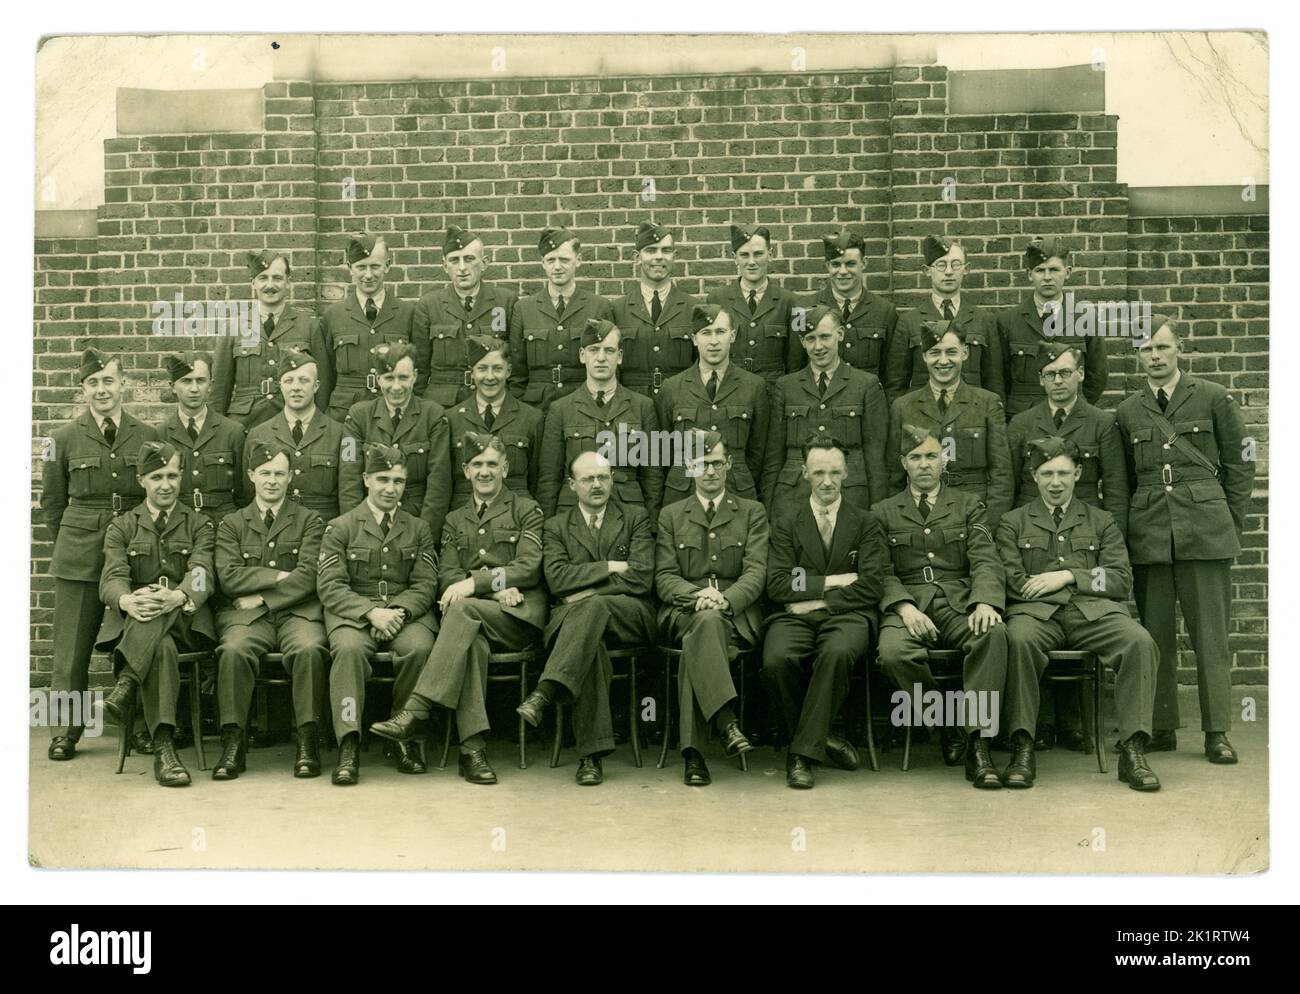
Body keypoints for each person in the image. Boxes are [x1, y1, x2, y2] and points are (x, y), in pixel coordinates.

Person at [370, 432, 547, 785]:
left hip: (517, 617)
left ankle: (416, 708)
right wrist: (492, 590)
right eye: (477, 465)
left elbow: (528, 567)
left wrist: (475, 585)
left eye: (492, 464)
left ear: (505, 468)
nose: (485, 472)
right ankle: (472, 751)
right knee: (470, 644)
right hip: (482, 615)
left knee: (461, 611)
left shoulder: (527, 509)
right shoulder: (454, 519)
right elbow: (447, 574)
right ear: (465, 471)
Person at [1117, 318, 1255, 764]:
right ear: (1137, 357)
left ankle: (1217, 731)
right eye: (1145, 349)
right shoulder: (1127, 411)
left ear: (1179, 349)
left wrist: (1229, 521)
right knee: (1154, 636)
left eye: (1161, 347)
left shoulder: (1212, 397)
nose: (1154, 356)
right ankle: (1161, 727)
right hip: (1150, 534)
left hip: (1206, 532)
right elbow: (1122, 482)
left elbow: (1239, 463)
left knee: (1210, 636)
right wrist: (1124, 537)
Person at [996, 436, 1160, 791]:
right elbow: (1012, 581)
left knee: (1139, 641)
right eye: (1047, 473)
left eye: (1064, 473)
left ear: (1078, 474)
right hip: (1036, 615)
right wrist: (1078, 582)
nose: (1056, 482)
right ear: (1033, 476)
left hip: (1093, 613)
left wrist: (1068, 576)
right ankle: (1022, 745)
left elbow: (1119, 578)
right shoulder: (1013, 522)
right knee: (1017, 640)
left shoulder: (1101, 521)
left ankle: (1133, 749)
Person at [1008, 344, 1128, 750]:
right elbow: (1010, 487)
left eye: (1065, 373)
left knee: (1083, 615)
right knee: (1033, 625)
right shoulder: (1022, 423)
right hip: (1036, 535)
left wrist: (1111, 540)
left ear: (1080, 375)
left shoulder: (1100, 423)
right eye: (1049, 374)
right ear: (1040, 379)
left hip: (1084, 536)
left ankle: (1074, 722)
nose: (1057, 381)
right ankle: (1038, 724)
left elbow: (1114, 486)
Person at [873, 426, 1008, 788]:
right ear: (904, 464)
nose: (924, 465)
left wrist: (984, 601)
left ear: (944, 458)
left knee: (992, 634)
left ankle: (979, 744)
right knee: (893, 654)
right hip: (909, 603)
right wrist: (903, 608)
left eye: (931, 456)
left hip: (959, 600)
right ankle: (947, 724)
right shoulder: (883, 511)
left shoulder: (968, 504)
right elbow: (880, 570)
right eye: (915, 458)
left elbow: (985, 558)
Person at [518, 451, 656, 785]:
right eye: (587, 479)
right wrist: (609, 567)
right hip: (576, 625)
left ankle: (546, 691)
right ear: (571, 485)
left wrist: (587, 590)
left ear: (611, 480)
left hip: (629, 617)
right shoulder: (555, 526)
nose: (596, 485)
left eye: (603, 478)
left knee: (591, 608)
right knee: (590, 645)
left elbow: (641, 578)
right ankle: (590, 758)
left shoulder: (635, 517)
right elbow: (557, 580)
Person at [41, 348, 150, 761]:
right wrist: (74, 540)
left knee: (134, 641)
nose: (102, 389)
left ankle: (138, 727)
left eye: (109, 380)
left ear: (124, 384)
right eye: (93, 382)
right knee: (71, 649)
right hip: (80, 552)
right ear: (82, 389)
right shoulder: (61, 440)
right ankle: (65, 731)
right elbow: (52, 504)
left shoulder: (147, 436)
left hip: (132, 548)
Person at [762, 436, 886, 788]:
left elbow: (872, 584)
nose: (828, 481)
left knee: (837, 652)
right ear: (804, 474)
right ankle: (824, 739)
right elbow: (779, 584)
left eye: (834, 472)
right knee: (776, 659)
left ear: (847, 472)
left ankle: (800, 755)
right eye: (819, 473)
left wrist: (819, 597)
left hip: (848, 615)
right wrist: (839, 579)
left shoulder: (865, 522)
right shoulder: (787, 522)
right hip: (793, 616)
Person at [316, 444, 439, 785]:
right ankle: (349, 741)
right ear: (366, 479)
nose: (390, 488)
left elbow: (426, 583)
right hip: (354, 613)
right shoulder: (340, 527)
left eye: (398, 481)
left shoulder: (418, 528)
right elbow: (330, 586)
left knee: (420, 649)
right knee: (349, 651)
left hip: (404, 614)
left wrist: (397, 612)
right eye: (383, 479)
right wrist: (371, 613)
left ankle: (404, 737)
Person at [96, 442, 216, 787]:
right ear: (141, 481)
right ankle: (165, 749)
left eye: (172, 476)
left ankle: (128, 683)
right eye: (157, 477)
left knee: (159, 613)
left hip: (186, 621)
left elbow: (202, 570)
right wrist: (128, 601)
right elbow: (112, 577)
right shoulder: (122, 525)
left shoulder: (200, 523)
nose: (166, 484)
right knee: (160, 647)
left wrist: (177, 596)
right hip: (143, 623)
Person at [655, 431, 768, 786]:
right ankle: (726, 722)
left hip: (736, 615)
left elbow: (757, 570)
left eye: (717, 462)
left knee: (699, 637)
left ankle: (694, 754)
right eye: (701, 464)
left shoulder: (751, 512)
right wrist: (698, 597)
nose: (710, 471)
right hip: (684, 611)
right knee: (703, 624)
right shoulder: (672, 515)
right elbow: (665, 576)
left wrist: (726, 599)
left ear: (729, 464)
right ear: (689, 468)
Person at [213, 443, 329, 779]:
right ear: (251, 476)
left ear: (291, 476)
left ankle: (307, 740)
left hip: (297, 613)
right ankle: (233, 741)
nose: (272, 481)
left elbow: (311, 575)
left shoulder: (310, 520)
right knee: (233, 650)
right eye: (265, 473)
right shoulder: (232, 523)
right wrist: (278, 576)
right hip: (247, 618)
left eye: (280, 473)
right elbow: (229, 576)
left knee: (309, 649)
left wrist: (263, 597)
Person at [763, 305, 888, 519]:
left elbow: (876, 456)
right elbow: (774, 455)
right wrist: (767, 507)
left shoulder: (865, 384)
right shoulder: (786, 386)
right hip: (794, 496)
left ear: (839, 335)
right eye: (810, 339)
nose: (818, 346)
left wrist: (878, 511)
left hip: (850, 492)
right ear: (802, 342)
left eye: (825, 337)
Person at [535, 319, 664, 525]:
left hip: (629, 517)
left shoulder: (642, 406)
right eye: (594, 350)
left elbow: (653, 477)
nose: (601, 358)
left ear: (619, 357)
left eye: (609, 350)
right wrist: (549, 529)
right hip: (573, 517)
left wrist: (651, 527)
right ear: (582, 355)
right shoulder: (561, 409)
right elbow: (549, 478)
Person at [887, 323, 1012, 526]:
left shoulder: (988, 402)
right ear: (924, 356)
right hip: (922, 514)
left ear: (965, 353)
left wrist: (989, 525)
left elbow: (1002, 475)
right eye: (935, 352)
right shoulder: (903, 407)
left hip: (974, 511)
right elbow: (893, 476)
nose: (943, 361)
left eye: (951, 352)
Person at [655, 303, 768, 505]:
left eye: (721, 332)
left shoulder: (754, 386)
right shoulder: (671, 388)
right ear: (694, 339)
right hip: (683, 493)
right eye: (706, 333)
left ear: (732, 336)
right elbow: (663, 452)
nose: (714, 341)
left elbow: (758, 452)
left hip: (736, 492)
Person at [340, 342, 451, 542]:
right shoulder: (358, 416)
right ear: (378, 379)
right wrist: (357, 531)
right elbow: (349, 479)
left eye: (403, 378)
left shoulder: (433, 415)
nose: (396, 387)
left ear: (415, 376)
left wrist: (424, 535)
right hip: (368, 522)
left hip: (416, 520)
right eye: (389, 378)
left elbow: (439, 483)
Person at [211, 249, 329, 429]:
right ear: (253, 283)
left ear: (288, 282)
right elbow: (219, 390)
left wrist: (317, 426)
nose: (270, 285)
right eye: (263, 278)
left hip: (292, 422)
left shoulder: (309, 327)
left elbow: (323, 384)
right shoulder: (234, 328)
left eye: (277, 278)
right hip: (245, 424)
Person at [507, 226, 614, 412]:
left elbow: (609, 367)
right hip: (536, 406)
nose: (557, 267)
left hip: (584, 405)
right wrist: (521, 410)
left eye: (564, 260)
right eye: (551, 260)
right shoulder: (524, 308)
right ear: (543, 263)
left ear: (578, 261)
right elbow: (517, 372)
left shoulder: (599, 306)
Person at [997, 237, 1107, 417]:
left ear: (1068, 272)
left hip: (1072, 416)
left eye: (1054, 270)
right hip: (1023, 418)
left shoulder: (1085, 319)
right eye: (1040, 270)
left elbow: (1097, 376)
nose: (1047, 277)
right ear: (1029, 274)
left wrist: (1074, 403)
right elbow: (999, 379)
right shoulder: (1007, 321)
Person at [411, 225, 515, 406]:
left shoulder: (505, 301)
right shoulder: (429, 305)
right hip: (442, 403)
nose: (462, 268)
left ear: (484, 263)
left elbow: (516, 361)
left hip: (493, 399)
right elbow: (420, 367)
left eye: (469, 259)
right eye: (454, 260)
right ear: (444, 266)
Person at [893, 235, 1003, 403]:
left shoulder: (984, 320)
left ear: (966, 269)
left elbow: (994, 383)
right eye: (941, 265)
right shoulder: (909, 321)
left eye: (956, 264)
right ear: (927, 270)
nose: (949, 272)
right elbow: (896, 385)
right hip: (923, 418)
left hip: (973, 417)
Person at [319, 233, 416, 420]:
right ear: (350, 269)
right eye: (361, 267)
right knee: (349, 450)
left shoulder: (407, 313)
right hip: (344, 415)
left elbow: (417, 370)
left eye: (375, 266)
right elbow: (325, 375)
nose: (368, 275)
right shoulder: (333, 316)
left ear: (387, 266)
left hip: (392, 411)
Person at [244, 347, 346, 522]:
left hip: (324, 526)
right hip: (276, 528)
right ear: (280, 385)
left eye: (304, 380)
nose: (296, 387)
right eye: (288, 380)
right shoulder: (257, 434)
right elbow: (246, 493)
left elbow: (349, 490)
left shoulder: (345, 435)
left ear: (316, 386)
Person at [153, 351, 247, 528]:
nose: (194, 389)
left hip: (224, 527)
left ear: (210, 385)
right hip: (178, 527)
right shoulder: (160, 434)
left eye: (200, 381)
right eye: (186, 381)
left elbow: (244, 493)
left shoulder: (233, 431)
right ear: (172, 386)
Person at [446, 336, 544, 505]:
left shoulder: (531, 417)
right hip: (464, 516)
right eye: (482, 369)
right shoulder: (452, 418)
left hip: (515, 515)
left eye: (497, 368)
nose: (490, 377)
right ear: (472, 372)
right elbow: (445, 481)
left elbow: (538, 479)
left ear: (509, 371)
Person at [803, 228, 903, 387]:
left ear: (864, 263)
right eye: (836, 264)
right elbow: (796, 368)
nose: (843, 272)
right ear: (827, 265)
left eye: (850, 264)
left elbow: (893, 374)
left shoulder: (886, 311)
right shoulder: (802, 309)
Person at [610, 220, 700, 397]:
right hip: (632, 404)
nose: (659, 257)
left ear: (674, 256)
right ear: (637, 257)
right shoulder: (617, 310)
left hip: (680, 401)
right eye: (651, 250)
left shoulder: (692, 308)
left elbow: (700, 365)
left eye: (666, 250)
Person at [705, 224, 801, 384]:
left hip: (773, 391)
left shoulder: (795, 303)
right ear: (734, 257)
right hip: (730, 388)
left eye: (758, 254)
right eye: (744, 255)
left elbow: (798, 358)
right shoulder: (716, 299)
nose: (751, 262)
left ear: (770, 254)